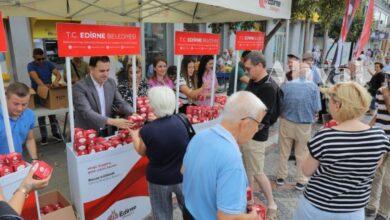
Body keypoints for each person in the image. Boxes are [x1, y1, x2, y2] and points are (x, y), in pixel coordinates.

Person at [293, 82, 390, 220]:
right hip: (353, 210)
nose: (329, 106)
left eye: (330, 102)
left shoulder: (325, 136)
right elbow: (375, 165)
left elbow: (306, 171)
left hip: (317, 207)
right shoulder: (379, 136)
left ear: (338, 105)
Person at [182, 91, 266, 220]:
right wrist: (253, 217)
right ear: (245, 123)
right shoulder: (232, 159)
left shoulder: (200, 136)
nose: (257, 130)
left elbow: (183, 170)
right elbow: (227, 217)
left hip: (190, 211)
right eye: (258, 124)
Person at [129, 86, 189, 220]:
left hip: (159, 179)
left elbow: (141, 151)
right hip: (182, 175)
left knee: (161, 214)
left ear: (154, 105)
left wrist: (134, 135)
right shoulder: (182, 120)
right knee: (190, 210)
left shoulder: (148, 130)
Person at [243, 51, 278, 219]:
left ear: (259, 66)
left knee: (257, 171)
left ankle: (272, 204)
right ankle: (248, 202)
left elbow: (263, 115)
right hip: (246, 134)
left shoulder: (268, 87)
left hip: (255, 136)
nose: (247, 71)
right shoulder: (254, 81)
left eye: (249, 68)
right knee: (248, 170)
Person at [276, 65, 321, 190]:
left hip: (286, 121)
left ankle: (280, 177)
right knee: (301, 153)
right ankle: (301, 180)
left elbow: (280, 103)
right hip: (304, 124)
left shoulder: (287, 85)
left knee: (284, 151)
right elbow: (317, 108)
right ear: (308, 75)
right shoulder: (313, 87)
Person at [73, 56, 134, 137]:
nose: (106, 74)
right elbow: (87, 112)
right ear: (91, 69)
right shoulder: (79, 87)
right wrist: (114, 122)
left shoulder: (111, 82)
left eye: (107, 70)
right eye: (102, 71)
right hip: (87, 134)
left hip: (107, 131)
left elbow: (121, 102)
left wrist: (133, 113)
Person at [366, 73, 390, 220]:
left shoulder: (385, 92)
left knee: (388, 183)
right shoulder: (381, 91)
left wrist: (387, 94)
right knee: (375, 175)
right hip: (380, 140)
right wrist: (369, 127)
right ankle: (371, 205)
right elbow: (379, 113)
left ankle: (383, 212)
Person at [27, 48, 62, 145]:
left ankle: (55, 133)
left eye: (43, 58)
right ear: (34, 57)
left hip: (50, 91)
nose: (41, 61)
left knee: (52, 114)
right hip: (38, 92)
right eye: (38, 59)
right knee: (41, 116)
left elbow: (58, 74)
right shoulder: (30, 65)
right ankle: (44, 136)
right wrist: (44, 86)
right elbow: (36, 78)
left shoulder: (48, 64)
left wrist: (55, 81)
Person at [0, 82, 38, 161]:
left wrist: (34, 159)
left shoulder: (29, 114)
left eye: (24, 104)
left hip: (17, 161)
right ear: (5, 98)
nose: (20, 108)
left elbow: (30, 139)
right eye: (16, 104)